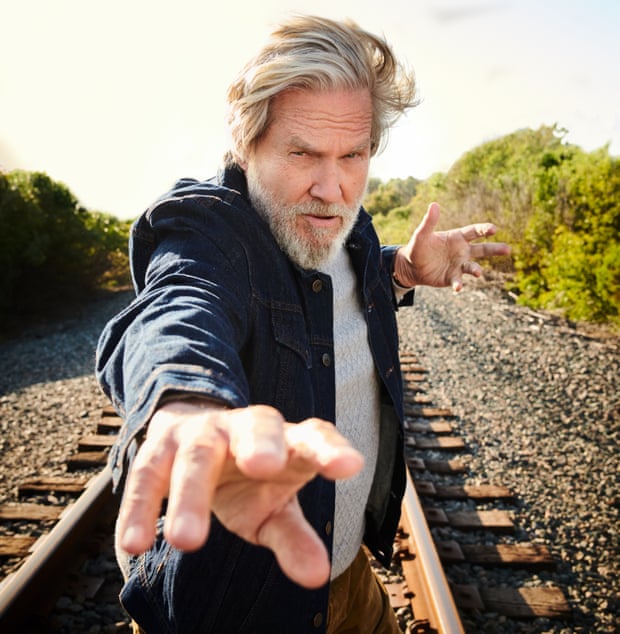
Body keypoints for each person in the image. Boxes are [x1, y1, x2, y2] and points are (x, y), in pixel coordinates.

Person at [96, 14, 509, 633]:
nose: (334, 187)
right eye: (303, 154)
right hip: (238, 612)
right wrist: (186, 402)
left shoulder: (347, 222)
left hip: (350, 585)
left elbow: (333, 281)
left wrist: (399, 270)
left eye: (354, 155)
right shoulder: (209, 228)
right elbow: (180, 305)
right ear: (246, 142)